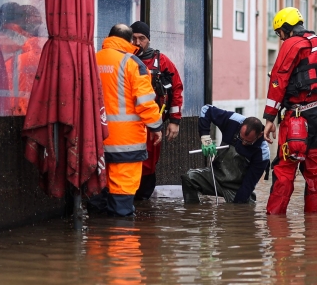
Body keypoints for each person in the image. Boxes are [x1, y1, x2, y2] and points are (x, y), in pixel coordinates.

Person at [263, 7, 317, 215]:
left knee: (284, 169)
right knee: (316, 171)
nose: (280, 39)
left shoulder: (293, 44)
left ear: (286, 28)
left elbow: (278, 81)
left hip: (300, 116)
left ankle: (276, 226)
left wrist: (270, 117)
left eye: (279, 33)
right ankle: (315, 228)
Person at [90, 24, 164, 217]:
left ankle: (96, 242)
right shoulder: (132, 63)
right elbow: (145, 102)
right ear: (130, 41)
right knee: (122, 201)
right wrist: (156, 126)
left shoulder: (91, 60)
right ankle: (121, 242)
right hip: (126, 144)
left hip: (95, 140)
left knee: (97, 197)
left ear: (108, 37)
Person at [129, 21, 183, 200]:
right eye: (133, 38)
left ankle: (143, 200)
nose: (137, 42)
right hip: (127, 123)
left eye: (141, 38)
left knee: (149, 162)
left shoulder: (162, 61)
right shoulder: (123, 60)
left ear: (148, 40)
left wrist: (174, 121)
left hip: (153, 123)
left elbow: (176, 88)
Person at [180, 104, 270, 204]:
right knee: (188, 177)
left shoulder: (263, 153)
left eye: (248, 142)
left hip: (235, 188)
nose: (243, 143)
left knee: (243, 208)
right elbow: (206, 109)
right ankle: (193, 211)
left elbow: (248, 184)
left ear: (260, 135)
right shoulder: (233, 121)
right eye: (241, 138)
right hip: (215, 176)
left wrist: (238, 207)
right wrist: (205, 137)